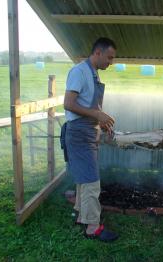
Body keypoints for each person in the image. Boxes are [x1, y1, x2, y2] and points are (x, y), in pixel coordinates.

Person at [62, 37, 118, 242]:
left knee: (84, 179)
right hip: (78, 132)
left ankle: (81, 215)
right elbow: (68, 103)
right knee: (92, 181)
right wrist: (96, 116)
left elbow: (89, 103)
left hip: (88, 131)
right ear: (98, 53)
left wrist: (101, 120)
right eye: (109, 58)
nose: (110, 63)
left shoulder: (93, 73)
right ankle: (92, 227)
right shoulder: (79, 71)